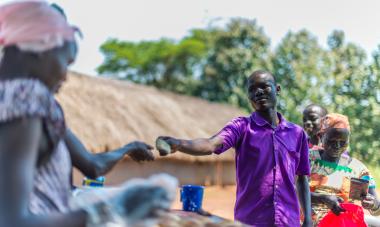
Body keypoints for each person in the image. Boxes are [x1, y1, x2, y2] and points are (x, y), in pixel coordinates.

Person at [0, 1, 168, 226]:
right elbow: (11, 221)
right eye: (66, 62)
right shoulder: (27, 97)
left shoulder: (10, 98)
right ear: (41, 47)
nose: (65, 76)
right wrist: (110, 211)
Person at [158, 70, 312, 226]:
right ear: (248, 96)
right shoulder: (242, 127)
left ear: (277, 89)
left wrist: (307, 219)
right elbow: (211, 144)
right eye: (252, 89)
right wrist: (179, 144)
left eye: (264, 86)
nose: (258, 92)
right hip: (251, 220)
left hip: (289, 221)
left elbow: (302, 179)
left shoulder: (297, 134)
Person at [309, 113, 380, 225]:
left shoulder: (357, 169)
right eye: (332, 141)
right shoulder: (307, 160)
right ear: (321, 136)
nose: (337, 146)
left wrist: (373, 204)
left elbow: (377, 209)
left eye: (343, 142)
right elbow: (289, 191)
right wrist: (322, 198)